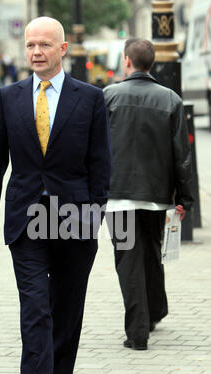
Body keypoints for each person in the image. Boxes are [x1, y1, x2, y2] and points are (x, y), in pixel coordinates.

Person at [0, 17, 111, 374]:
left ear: (62, 49)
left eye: (44, 45)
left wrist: (94, 212)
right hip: (25, 215)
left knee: (67, 302)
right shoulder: (10, 96)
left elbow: (100, 163)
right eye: (30, 44)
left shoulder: (89, 98)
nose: (36, 52)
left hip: (74, 214)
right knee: (35, 303)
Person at [103, 38, 193, 351]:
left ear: (127, 61)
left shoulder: (109, 96)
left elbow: (96, 149)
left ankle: (138, 332)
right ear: (151, 64)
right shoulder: (170, 99)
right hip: (157, 194)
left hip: (118, 196)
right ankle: (155, 311)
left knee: (128, 260)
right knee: (152, 253)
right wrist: (185, 196)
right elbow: (182, 154)